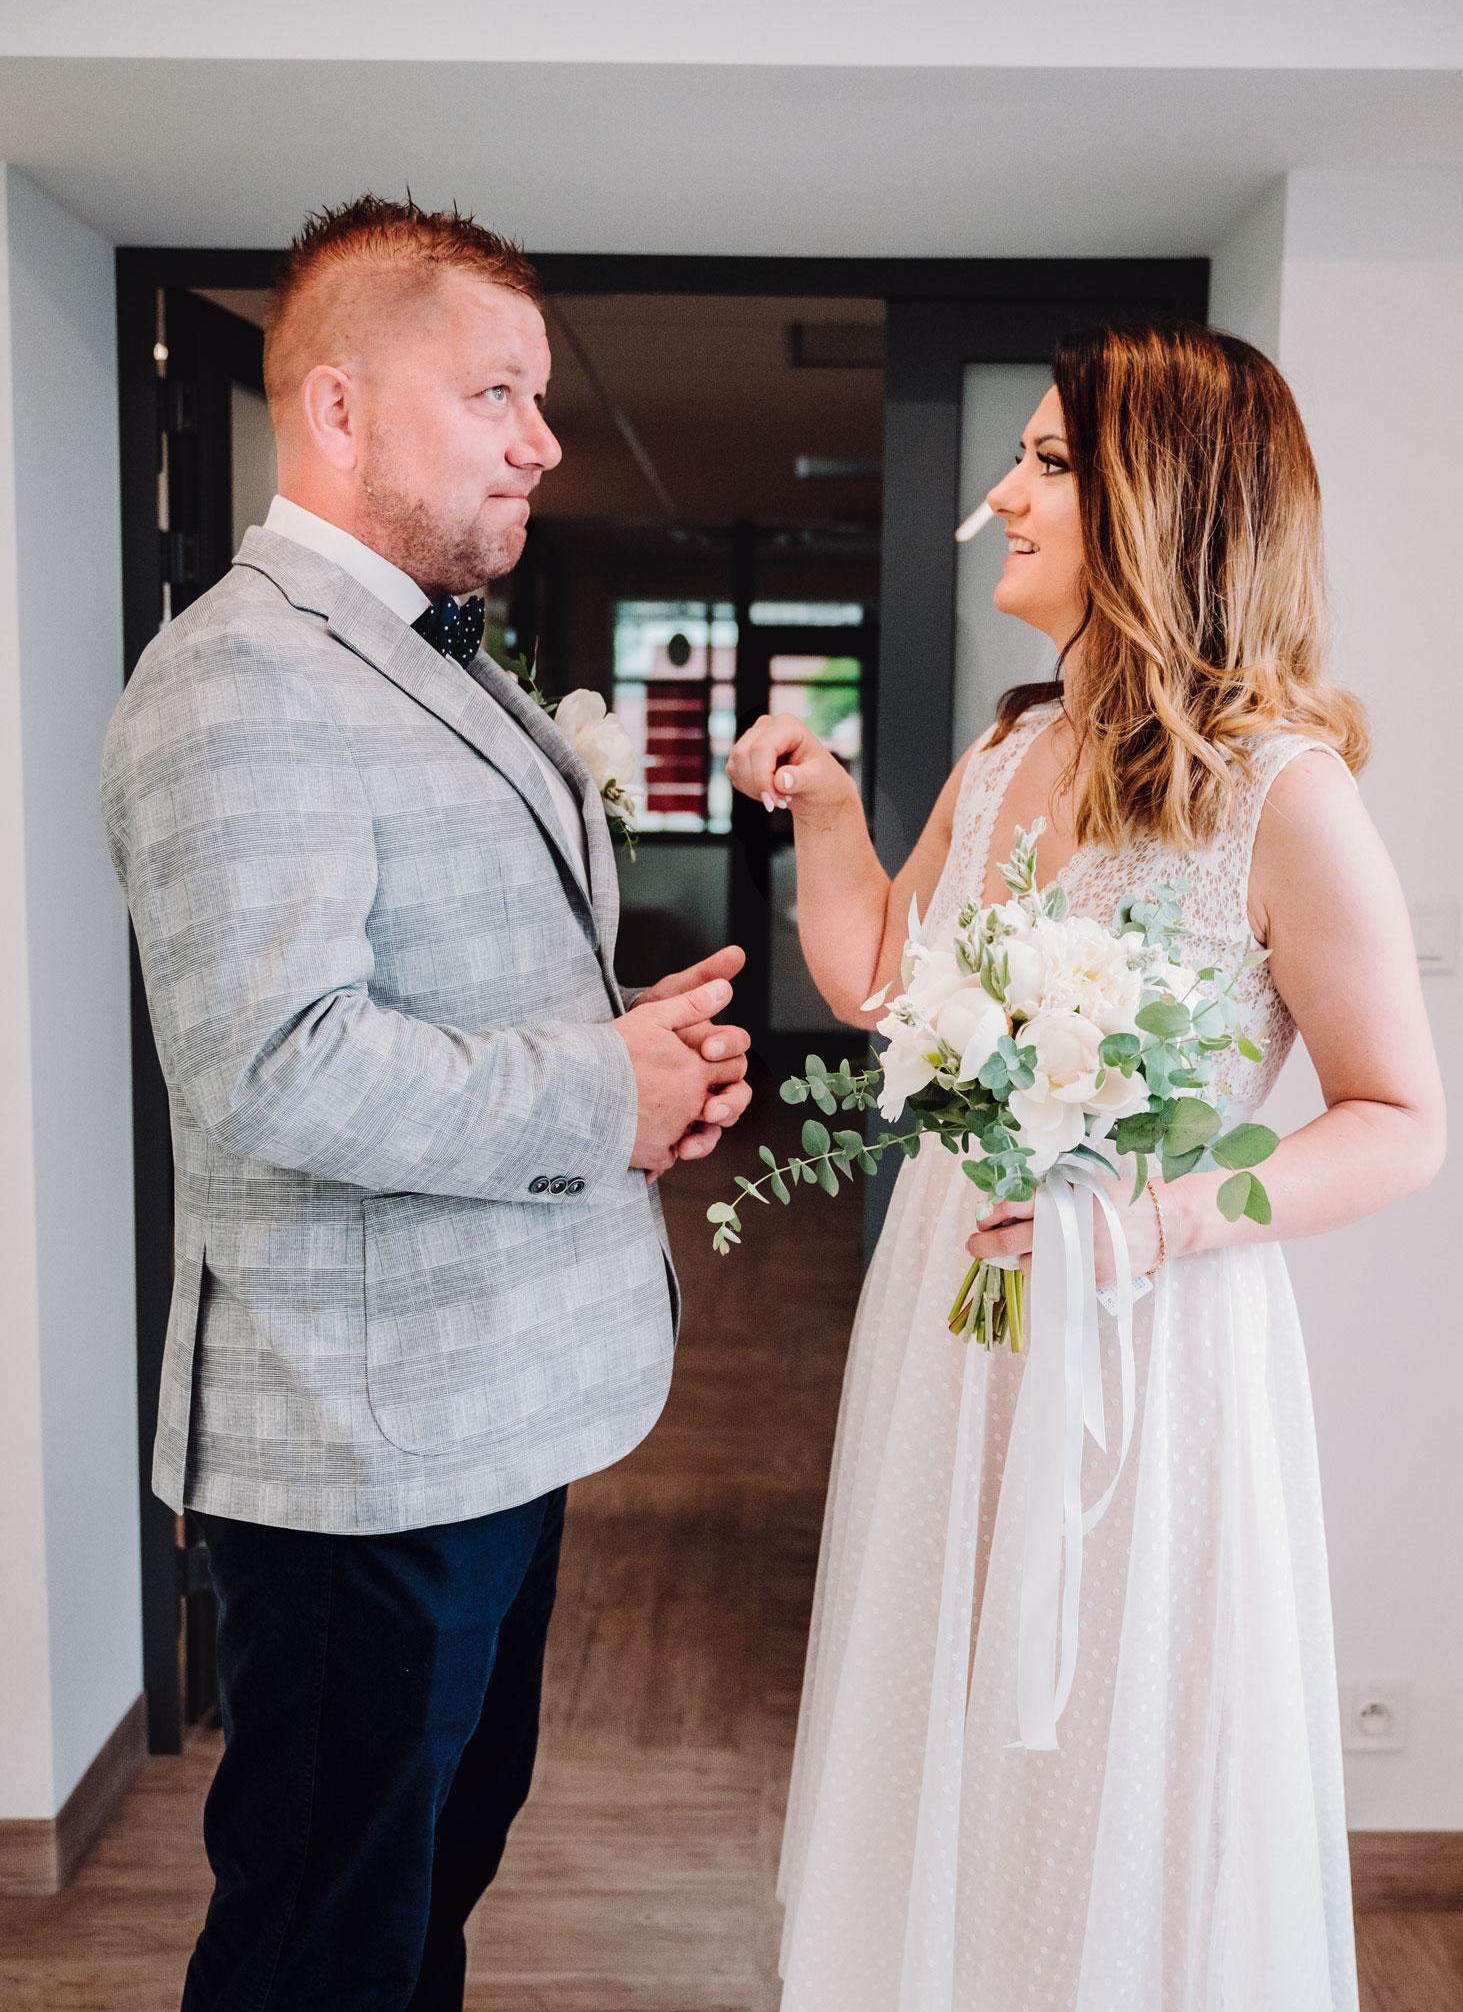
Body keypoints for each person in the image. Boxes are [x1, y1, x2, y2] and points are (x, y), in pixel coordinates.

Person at [727, 320, 1445, 2010]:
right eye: (1023, 457)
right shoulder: (1007, 755)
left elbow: (1400, 1120)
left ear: (1166, 506)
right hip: (954, 1315)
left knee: (1102, 1765)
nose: (1005, 494)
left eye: (1050, 463)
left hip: (1148, 1347)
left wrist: (1153, 1228)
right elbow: (886, 979)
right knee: (945, 1725)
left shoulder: (1284, 796)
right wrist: (826, 811)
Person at [101, 194, 752, 2011]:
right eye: (495, 395)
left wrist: (634, 1053)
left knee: (425, 1893)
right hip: (358, 1450)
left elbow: (439, 989)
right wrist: (596, 1092)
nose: (543, 441)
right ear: (337, 407)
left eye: (537, 399)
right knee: (323, 1938)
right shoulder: (238, 678)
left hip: (483, 1415)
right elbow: (275, 1059)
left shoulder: (415, 650)